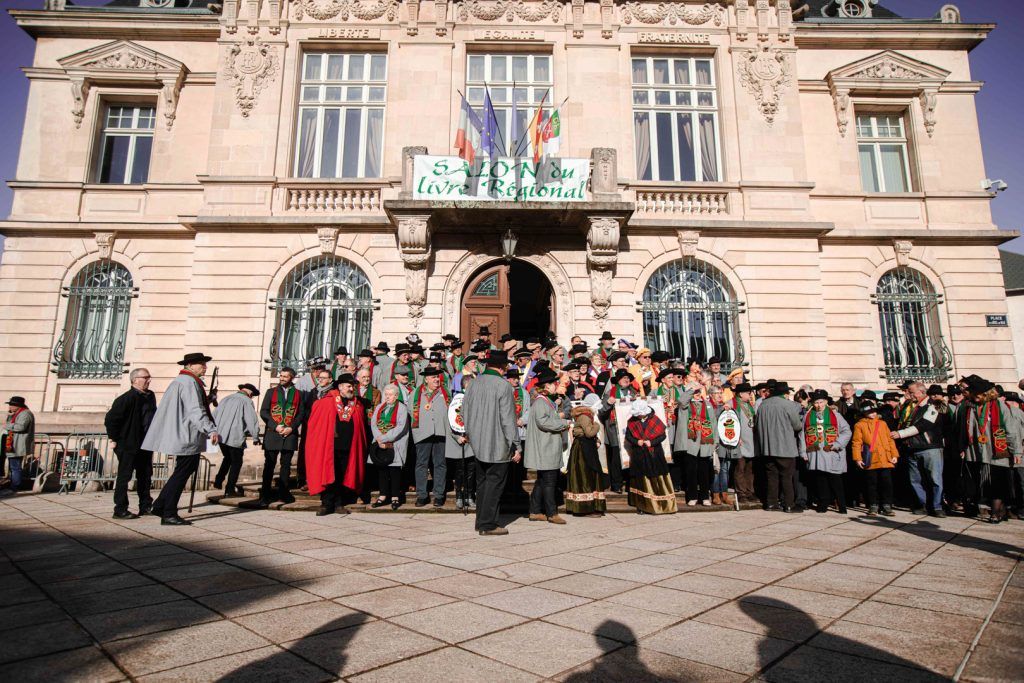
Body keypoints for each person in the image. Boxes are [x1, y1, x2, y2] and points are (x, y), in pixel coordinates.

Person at [143, 352, 220, 525]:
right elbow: (195, 411)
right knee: (183, 472)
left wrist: (208, 399)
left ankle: (161, 505)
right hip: (185, 435)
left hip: (183, 433)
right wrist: (211, 429)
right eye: (201, 364)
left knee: (182, 470)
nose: (205, 367)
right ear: (190, 365)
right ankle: (169, 512)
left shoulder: (184, 381)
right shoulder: (189, 382)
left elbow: (192, 406)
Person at [462, 350, 521, 536]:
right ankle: (488, 524)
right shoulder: (503, 386)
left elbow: (463, 412)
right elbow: (508, 419)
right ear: (502, 367)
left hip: (478, 443)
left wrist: (472, 433)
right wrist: (516, 444)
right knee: (494, 484)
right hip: (498, 444)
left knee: (483, 483)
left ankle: (481, 521)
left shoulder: (473, 383)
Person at [961, 376, 1023, 524]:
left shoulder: (999, 407)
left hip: (998, 450)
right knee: (985, 483)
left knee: (998, 481)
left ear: (983, 394)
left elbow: (1011, 430)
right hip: (978, 451)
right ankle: (1000, 510)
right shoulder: (971, 407)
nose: (973, 397)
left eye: (975, 395)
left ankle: (995, 512)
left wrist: (1017, 451)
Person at [306, 373, 369, 516]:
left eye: (353, 386)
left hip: (349, 447)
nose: (351, 389)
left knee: (343, 475)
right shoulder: (326, 403)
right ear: (340, 387)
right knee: (328, 475)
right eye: (348, 386)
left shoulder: (357, 405)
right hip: (329, 447)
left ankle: (339, 503)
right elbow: (316, 425)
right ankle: (326, 503)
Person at [104, 368, 157, 518]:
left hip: (145, 443)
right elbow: (111, 420)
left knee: (145, 476)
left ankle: (145, 506)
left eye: (149, 377)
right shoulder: (126, 398)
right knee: (124, 476)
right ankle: (120, 509)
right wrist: (114, 439)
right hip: (128, 444)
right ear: (135, 380)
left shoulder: (150, 396)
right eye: (146, 377)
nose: (149, 380)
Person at [891, 381, 946, 517]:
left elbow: (924, 425)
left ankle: (937, 506)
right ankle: (922, 504)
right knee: (915, 479)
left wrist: (901, 434)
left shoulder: (932, 405)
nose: (909, 394)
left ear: (921, 392)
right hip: (911, 447)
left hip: (929, 447)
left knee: (935, 478)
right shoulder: (908, 406)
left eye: (911, 392)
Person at [526, 367, 571, 525]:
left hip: (548, 447)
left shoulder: (545, 401)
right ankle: (552, 513)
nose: (555, 385)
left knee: (542, 481)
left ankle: (535, 511)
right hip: (545, 448)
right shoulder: (540, 402)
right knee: (550, 481)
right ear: (546, 386)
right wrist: (563, 423)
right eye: (553, 383)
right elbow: (544, 422)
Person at [258, 367, 304, 507]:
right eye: (281, 376)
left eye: (285, 376)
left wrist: (291, 427)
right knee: (269, 465)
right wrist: (275, 425)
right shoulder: (271, 392)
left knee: (286, 466)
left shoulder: (298, 394)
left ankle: (283, 494)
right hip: (273, 432)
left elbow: (301, 414)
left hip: (289, 434)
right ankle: (265, 495)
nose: (282, 378)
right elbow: (264, 412)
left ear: (292, 378)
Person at [756, 381, 804, 512]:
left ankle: (771, 503)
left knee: (772, 477)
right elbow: (797, 426)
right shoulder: (788, 405)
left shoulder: (763, 405)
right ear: (785, 393)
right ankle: (789, 504)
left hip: (767, 447)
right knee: (787, 477)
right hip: (785, 447)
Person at [801, 389, 852, 514]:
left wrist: (837, 444)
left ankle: (841, 504)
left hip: (832, 452)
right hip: (815, 452)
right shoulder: (808, 415)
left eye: (821, 402)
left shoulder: (836, 415)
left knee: (835, 479)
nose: (819, 405)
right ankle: (823, 503)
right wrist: (803, 452)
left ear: (826, 402)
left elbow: (847, 431)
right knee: (820, 479)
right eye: (816, 402)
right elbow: (802, 434)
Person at [623, 401, 677, 514]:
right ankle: (642, 505)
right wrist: (637, 441)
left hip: (654, 454)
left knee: (656, 477)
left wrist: (651, 442)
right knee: (640, 479)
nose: (637, 416)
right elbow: (628, 436)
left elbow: (662, 435)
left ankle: (659, 503)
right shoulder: (632, 421)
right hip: (639, 454)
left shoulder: (655, 419)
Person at [410, 367, 451, 508]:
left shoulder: (445, 392)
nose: (436, 379)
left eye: (437, 377)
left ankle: (439, 495)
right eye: (433, 377)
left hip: (441, 431)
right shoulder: (416, 392)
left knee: (440, 464)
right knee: (421, 464)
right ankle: (422, 495)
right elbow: (411, 410)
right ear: (426, 379)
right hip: (423, 433)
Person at [675, 374, 719, 506]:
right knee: (691, 471)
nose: (697, 393)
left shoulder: (708, 405)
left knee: (704, 472)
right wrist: (691, 389)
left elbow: (713, 423)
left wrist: (715, 441)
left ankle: (705, 496)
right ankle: (692, 496)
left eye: (699, 391)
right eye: (695, 392)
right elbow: (681, 401)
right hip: (691, 443)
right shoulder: (686, 406)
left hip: (705, 442)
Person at [212, 383, 260, 498]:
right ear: (250, 393)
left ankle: (219, 480)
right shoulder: (247, 401)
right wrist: (255, 436)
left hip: (221, 436)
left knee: (228, 458)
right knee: (236, 462)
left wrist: (212, 431)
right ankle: (229, 489)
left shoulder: (226, 399)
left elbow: (213, 416)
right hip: (235, 436)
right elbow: (251, 420)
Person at [851, 402, 898, 516]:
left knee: (887, 483)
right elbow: (856, 442)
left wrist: (894, 454)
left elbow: (890, 440)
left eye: (874, 411)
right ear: (864, 413)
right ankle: (873, 504)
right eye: (869, 412)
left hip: (886, 458)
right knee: (871, 483)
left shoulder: (882, 423)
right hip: (871, 458)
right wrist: (857, 458)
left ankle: (887, 504)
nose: (872, 414)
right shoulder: (859, 425)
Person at [368, 385, 410, 510]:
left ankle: (395, 497)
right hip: (380, 442)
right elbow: (374, 424)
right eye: (386, 394)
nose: (387, 397)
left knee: (394, 470)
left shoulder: (402, 409)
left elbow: (400, 427)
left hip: (395, 443)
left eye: (390, 394)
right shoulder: (380, 407)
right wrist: (379, 438)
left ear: (396, 396)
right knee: (382, 470)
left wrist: (385, 438)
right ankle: (383, 495)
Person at [599, 368, 639, 493]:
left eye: (628, 378)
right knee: (616, 456)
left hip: (631, 429)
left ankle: (630, 483)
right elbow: (601, 412)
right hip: (614, 429)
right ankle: (616, 484)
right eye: (623, 378)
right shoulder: (610, 393)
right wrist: (608, 404)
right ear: (618, 380)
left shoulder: (633, 393)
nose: (626, 379)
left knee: (631, 455)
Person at [565, 394, 606, 516]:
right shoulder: (585, 416)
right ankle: (585, 507)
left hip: (586, 446)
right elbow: (589, 433)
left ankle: (591, 505)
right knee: (585, 476)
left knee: (589, 475)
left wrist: (596, 439)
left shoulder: (586, 416)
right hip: (583, 448)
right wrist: (597, 426)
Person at [725, 382, 758, 504]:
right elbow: (728, 422)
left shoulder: (748, 405)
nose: (750, 395)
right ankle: (741, 492)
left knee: (750, 468)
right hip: (740, 440)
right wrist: (735, 437)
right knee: (740, 467)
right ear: (741, 394)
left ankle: (750, 491)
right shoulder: (731, 404)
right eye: (748, 393)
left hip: (750, 440)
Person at [1, 396, 35, 496]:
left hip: (18, 445)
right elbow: (13, 424)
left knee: (15, 467)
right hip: (13, 443)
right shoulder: (17, 413)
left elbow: (21, 427)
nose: (10, 407)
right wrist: (10, 415)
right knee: (13, 466)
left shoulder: (25, 414)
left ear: (17, 406)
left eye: (11, 405)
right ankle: (12, 485)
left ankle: (14, 487)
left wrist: (6, 425)